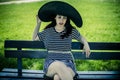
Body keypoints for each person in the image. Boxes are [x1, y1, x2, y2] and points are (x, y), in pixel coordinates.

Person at [32, 1, 90, 80]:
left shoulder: (70, 31)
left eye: (64, 18)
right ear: (55, 17)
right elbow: (34, 39)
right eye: (59, 17)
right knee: (59, 65)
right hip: (51, 64)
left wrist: (86, 44)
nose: (61, 20)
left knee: (57, 78)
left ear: (67, 19)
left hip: (68, 63)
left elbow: (81, 38)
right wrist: (38, 24)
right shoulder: (48, 32)